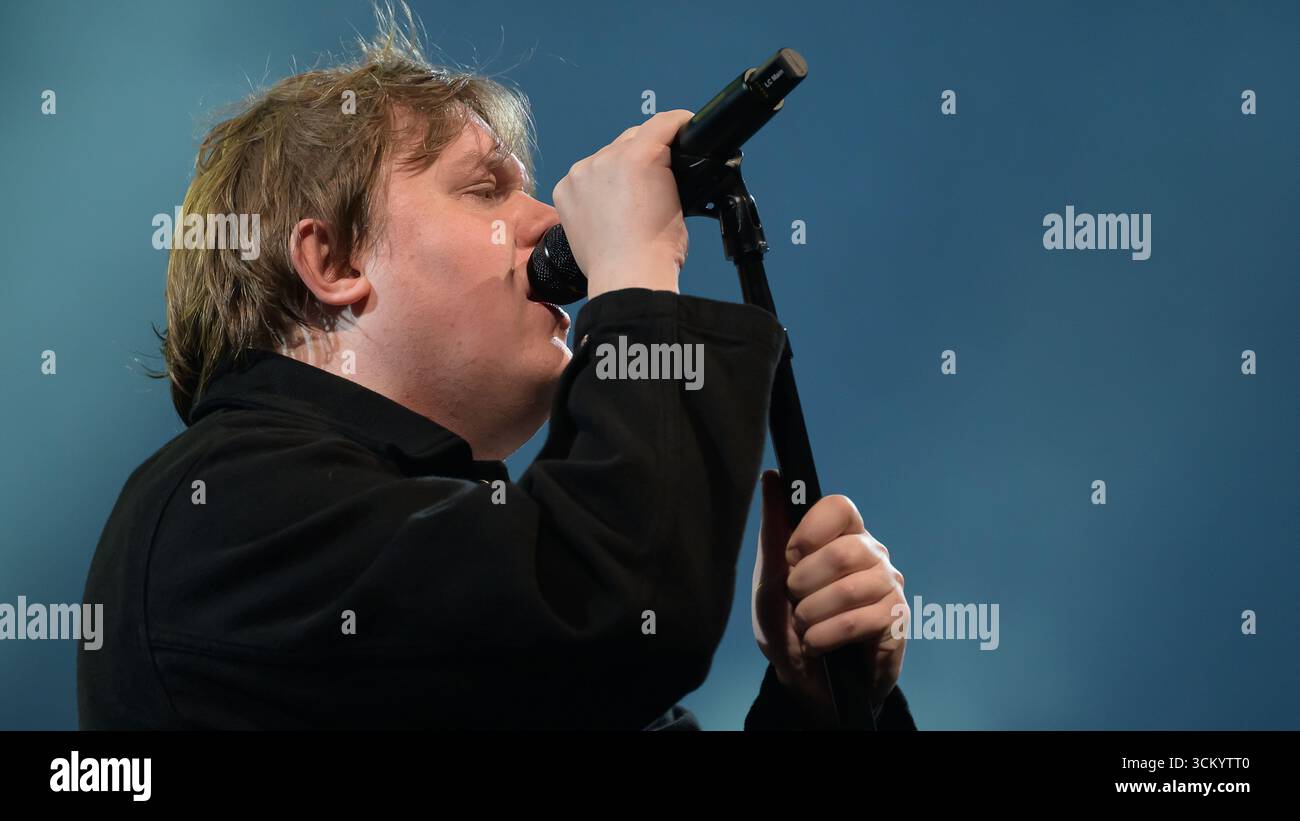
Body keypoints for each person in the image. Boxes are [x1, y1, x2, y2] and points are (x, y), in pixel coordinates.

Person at [78, 8, 915, 731]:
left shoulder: (440, 536)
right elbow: (604, 612)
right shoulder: (219, 509)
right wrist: (634, 277)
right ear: (329, 259)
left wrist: (814, 701)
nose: (550, 219)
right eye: (485, 190)